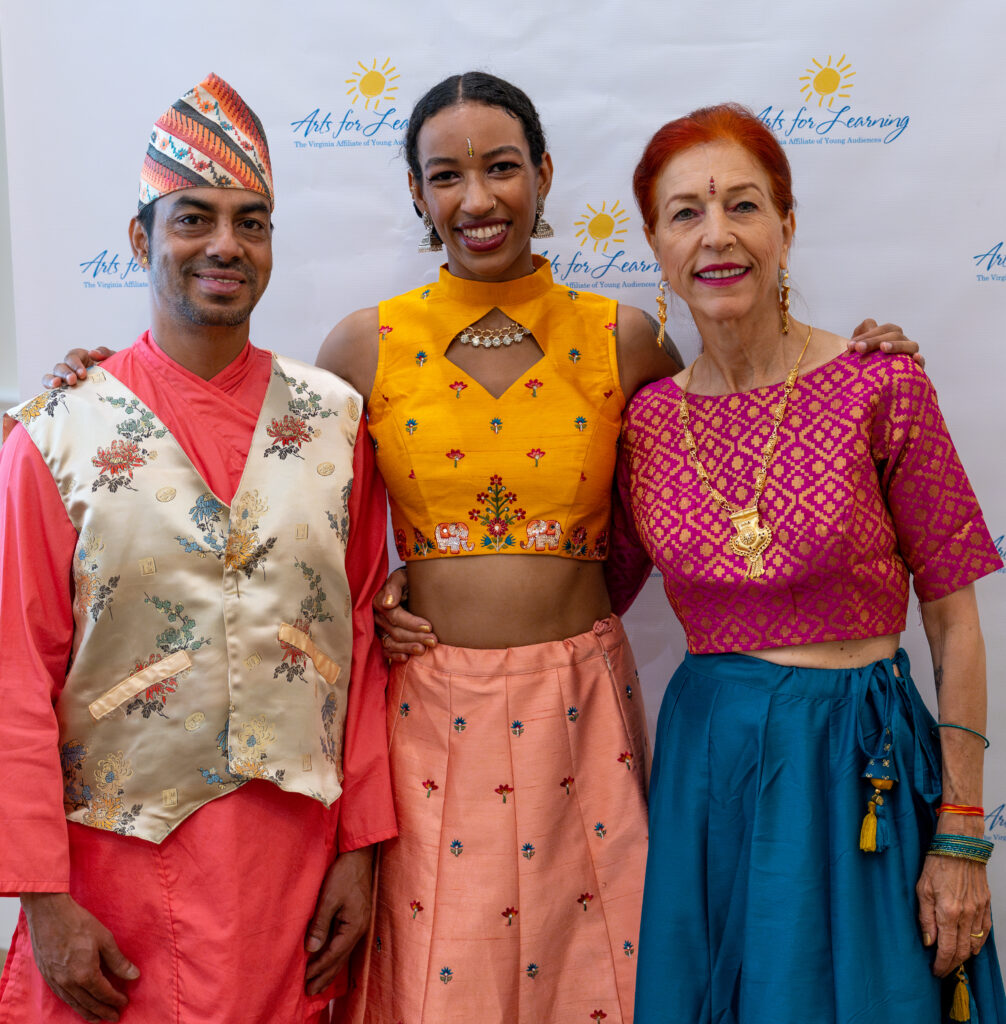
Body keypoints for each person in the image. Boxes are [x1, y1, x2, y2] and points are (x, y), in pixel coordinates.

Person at [46, 74, 921, 1024]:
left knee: (612, 975)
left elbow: (732, 414)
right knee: (436, 983)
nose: (477, 198)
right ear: (417, 195)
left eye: (502, 167)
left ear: (543, 176)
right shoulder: (366, 345)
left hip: (584, 709)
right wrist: (104, 387)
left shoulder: (624, 338)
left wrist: (848, 359)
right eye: (446, 175)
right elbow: (259, 441)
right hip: (427, 717)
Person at [0, 73, 395, 1024]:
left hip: (289, 880)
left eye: (250, 222)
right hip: (113, 878)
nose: (225, 244)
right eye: (194, 219)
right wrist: (41, 898)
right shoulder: (55, 432)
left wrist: (361, 850)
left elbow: (367, 648)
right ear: (142, 238)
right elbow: (13, 672)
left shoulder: (338, 425)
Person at [609, 102, 1006, 1023]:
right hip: (712, 768)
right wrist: (422, 582)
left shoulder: (881, 383)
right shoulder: (646, 423)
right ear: (654, 245)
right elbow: (586, 594)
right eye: (685, 214)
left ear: (787, 227)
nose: (718, 237)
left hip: (857, 762)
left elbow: (953, 620)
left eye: (743, 206)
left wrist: (962, 832)